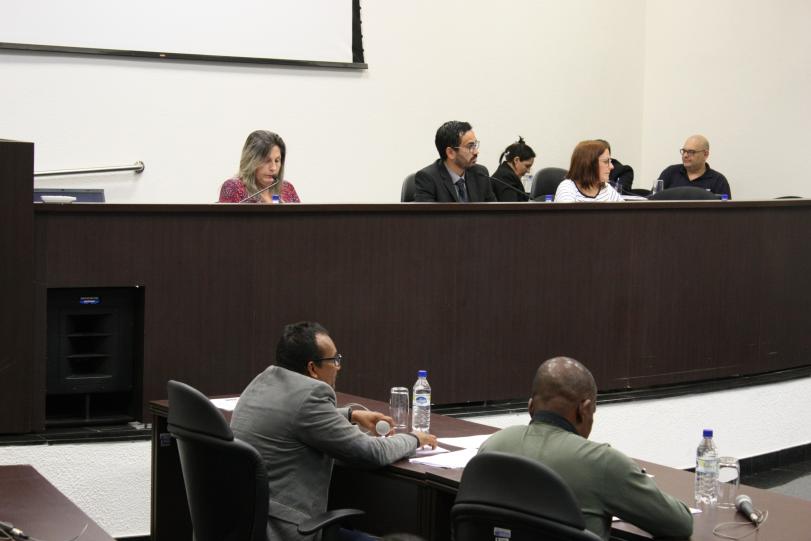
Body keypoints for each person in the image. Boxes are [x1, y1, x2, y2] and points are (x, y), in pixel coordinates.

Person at [230, 321, 436, 541]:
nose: (339, 367)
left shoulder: (263, 381)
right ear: (312, 368)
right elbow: (371, 452)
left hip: (245, 523)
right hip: (287, 531)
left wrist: (351, 415)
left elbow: (291, 415)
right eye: (334, 360)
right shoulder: (312, 394)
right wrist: (414, 438)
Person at [478, 357, 693, 541]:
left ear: (530, 407)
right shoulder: (602, 462)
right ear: (585, 409)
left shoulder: (493, 445)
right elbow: (680, 524)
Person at [414, 121, 497, 202]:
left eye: (475, 145)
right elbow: (428, 212)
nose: (476, 152)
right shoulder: (427, 179)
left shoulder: (480, 173)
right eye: (470, 146)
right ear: (450, 152)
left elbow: (493, 210)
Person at [219, 130, 301, 203]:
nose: (273, 168)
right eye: (266, 161)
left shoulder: (287, 189)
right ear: (250, 161)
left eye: (277, 161)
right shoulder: (235, 187)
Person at [658, 135, 731, 198]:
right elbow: (653, 200)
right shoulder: (670, 173)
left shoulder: (718, 180)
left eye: (691, 152)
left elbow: (725, 209)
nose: (685, 155)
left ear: (705, 154)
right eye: (684, 151)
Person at [554, 140, 623, 202]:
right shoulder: (567, 188)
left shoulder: (607, 188)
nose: (612, 166)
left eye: (610, 161)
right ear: (589, 164)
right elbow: (568, 212)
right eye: (605, 161)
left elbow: (624, 211)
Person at [491, 137, 535, 202]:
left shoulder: (506, 174)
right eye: (527, 166)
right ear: (516, 160)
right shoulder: (505, 177)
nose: (528, 171)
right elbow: (512, 206)